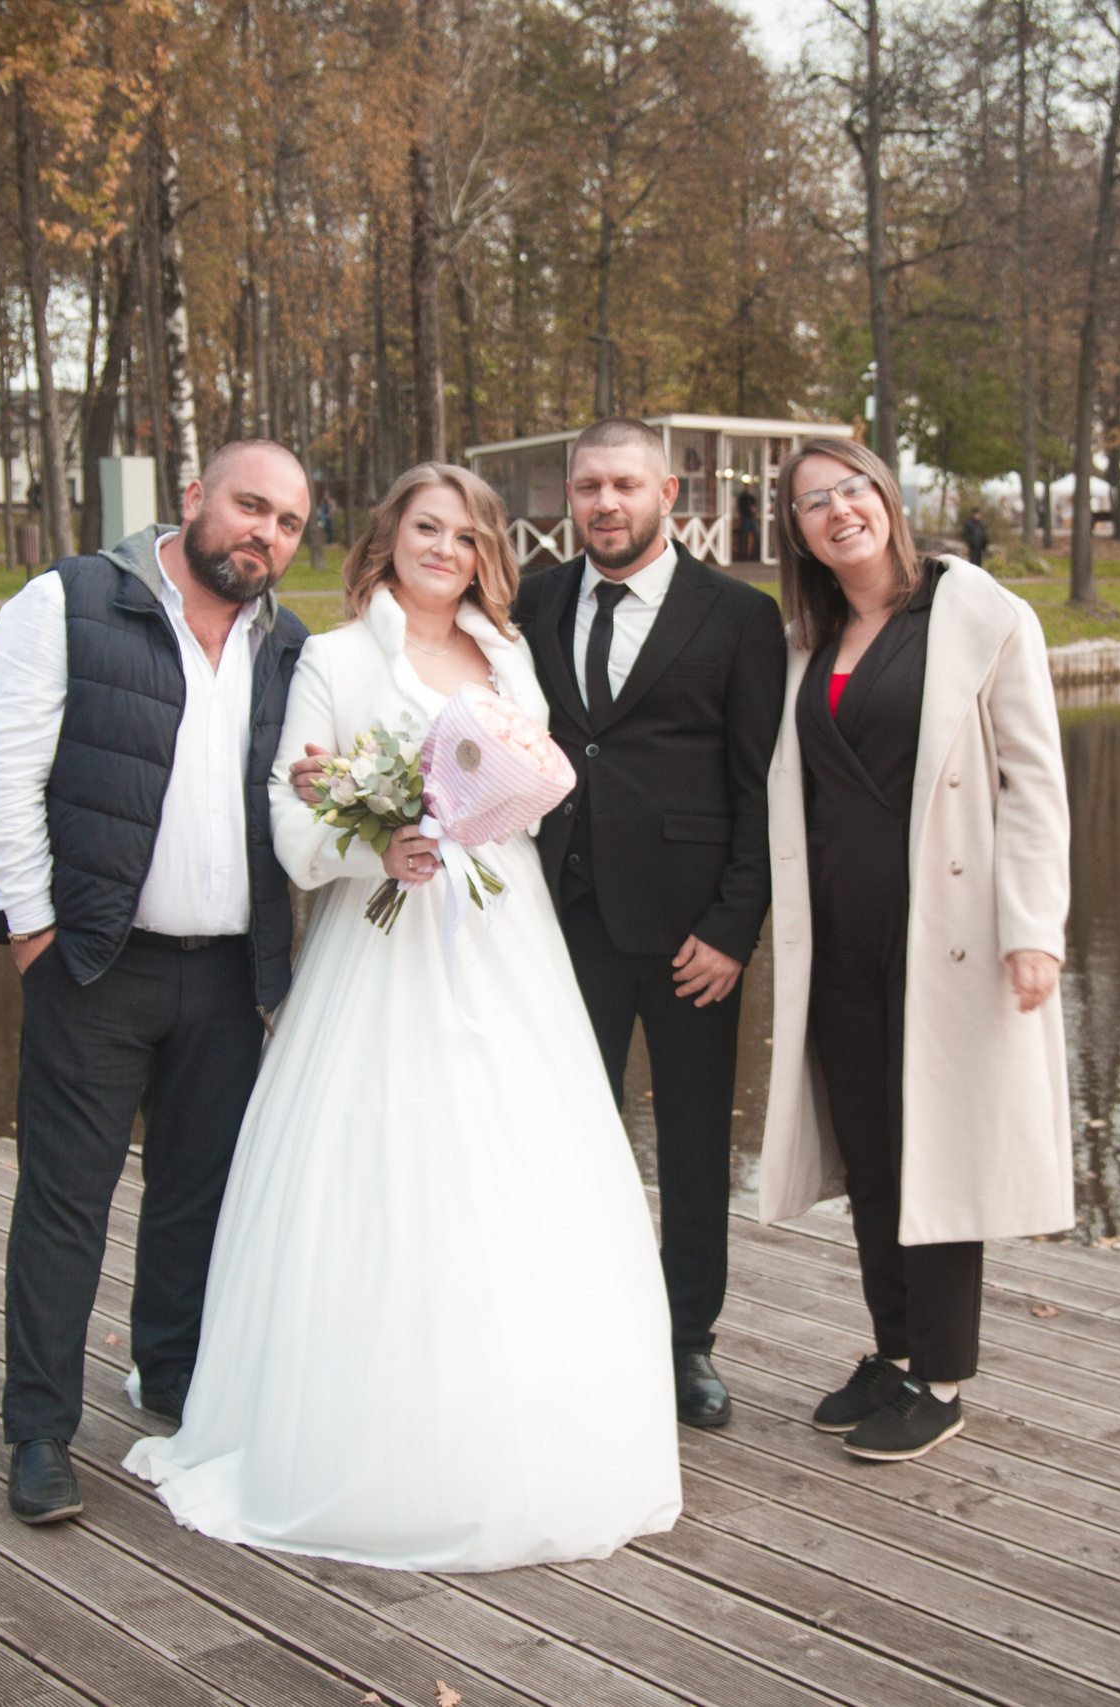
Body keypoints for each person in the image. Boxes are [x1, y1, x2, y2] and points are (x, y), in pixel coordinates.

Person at [130, 463, 681, 1572]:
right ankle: (363, 1437)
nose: (448, 549)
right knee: (381, 1173)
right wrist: (375, 841)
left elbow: (530, 796)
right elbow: (293, 824)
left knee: (521, 1175)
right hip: (380, 948)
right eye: (427, 527)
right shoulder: (332, 661)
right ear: (390, 538)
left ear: (487, 555)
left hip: (503, 942)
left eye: (469, 534)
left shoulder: (512, 658)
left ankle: (526, 1428)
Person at [0, 441, 312, 1526]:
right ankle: (39, 1431)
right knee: (66, 1204)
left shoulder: (289, 645)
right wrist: (35, 934)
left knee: (195, 1201)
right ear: (194, 498)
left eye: (290, 523)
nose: (266, 533)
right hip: (95, 963)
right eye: (251, 506)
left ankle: (170, 1381)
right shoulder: (66, 603)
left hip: (225, 978)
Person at [756, 438, 1072, 1463]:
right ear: (796, 531)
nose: (837, 511)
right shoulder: (810, 638)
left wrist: (1032, 930)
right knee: (872, 1150)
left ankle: (941, 1377)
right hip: (839, 944)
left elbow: (1034, 785)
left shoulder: (978, 615)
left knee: (939, 1148)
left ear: (885, 499)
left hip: (949, 942)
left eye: (851, 490)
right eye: (812, 502)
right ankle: (892, 1351)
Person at [510, 418, 785, 1428]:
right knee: (564, 1138)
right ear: (569, 498)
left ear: (669, 491)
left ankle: (686, 1344)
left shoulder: (735, 616)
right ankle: (578, 1326)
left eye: (624, 483)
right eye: (588, 487)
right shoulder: (533, 604)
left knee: (693, 1147)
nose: (604, 504)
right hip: (559, 925)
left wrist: (733, 928)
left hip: (689, 941)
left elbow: (761, 790)